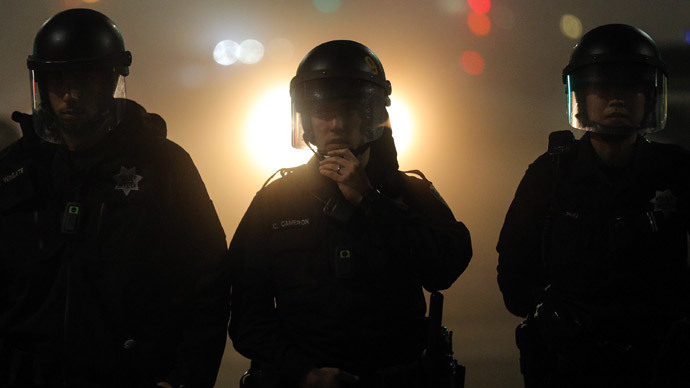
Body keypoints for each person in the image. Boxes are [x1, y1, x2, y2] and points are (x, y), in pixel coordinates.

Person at [0, 9, 230, 388]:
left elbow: (209, 279)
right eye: (58, 80)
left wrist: (185, 378)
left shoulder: (163, 165)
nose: (70, 95)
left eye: (84, 79)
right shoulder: (13, 170)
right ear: (41, 82)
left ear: (111, 82)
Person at [227, 40, 472, 388]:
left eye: (350, 110)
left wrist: (370, 200)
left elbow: (445, 267)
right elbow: (248, 315)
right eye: (323, 111)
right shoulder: (276, 201)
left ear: (371, 116)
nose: (336, 124)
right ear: (306, 120)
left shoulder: (407, 193)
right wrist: (304, 374)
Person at [497, 24, 690, 388]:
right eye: (602, 87)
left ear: (648, 96)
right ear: (582, 97)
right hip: (570, 367)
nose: (616, 99)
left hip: (661, 366)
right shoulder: (550, 175)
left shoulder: (677, 172)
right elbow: (513, 277)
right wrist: (554, 316)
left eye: (631, 86)